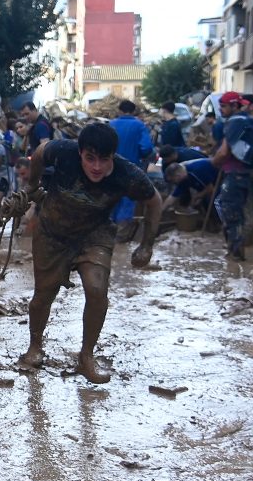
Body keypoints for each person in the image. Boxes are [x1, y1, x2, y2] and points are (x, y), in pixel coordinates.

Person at [17, 123, 161, 384]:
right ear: (80, 153)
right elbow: (38, 152)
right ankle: (35, 346)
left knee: (97, 291)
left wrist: (147, 244)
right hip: (52, 231)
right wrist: (33, 186)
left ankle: (86, 356)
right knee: (43, 295)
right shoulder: (62, 151)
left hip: (94, 234)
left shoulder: (127, 174)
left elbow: (155, 201)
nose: (96, 167)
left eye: (104, 160)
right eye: (90, 158)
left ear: (113, 157)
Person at [211, 92, 253, 260]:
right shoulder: (251, 121)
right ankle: (242, 250)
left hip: (235, 174)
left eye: (223, 106)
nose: (221, 109)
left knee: (231, 214)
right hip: (250, 173)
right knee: (244, 213)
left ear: (234, 106)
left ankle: (235, 256)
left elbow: (223, 152)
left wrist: (214, 162)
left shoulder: (233, 123)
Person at [109, 99, 154, 229]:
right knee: (128, 199)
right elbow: (146, 147)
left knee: (111, 197)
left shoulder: (111, 125)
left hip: (111, 168)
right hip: (131, 167)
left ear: (119, 111)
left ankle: (109, 231)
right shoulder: (139, 126)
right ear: (133, 111)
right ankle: (122, 233)